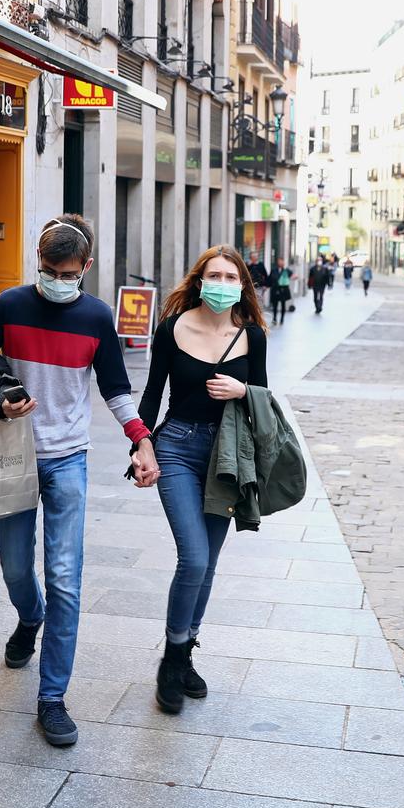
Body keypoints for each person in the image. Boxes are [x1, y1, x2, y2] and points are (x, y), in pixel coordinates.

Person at [0, 213, 157, 746]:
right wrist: (0, 398)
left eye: (67, 273)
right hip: (12, 453)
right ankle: (30, 618)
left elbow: (116, 388)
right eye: (49, 271)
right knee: (14, 566)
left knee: (65, 577)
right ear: (38, 260)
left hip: (68, 458)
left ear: (86, 267)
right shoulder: (9, 305)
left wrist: (141, 439)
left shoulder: (96, 317)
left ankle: (52, 697)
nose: (56, 280)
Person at [135, 245, 269, 714]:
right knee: (193, 558)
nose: (222, 284)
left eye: (231, 277)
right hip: (176, 446)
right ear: (199, 280)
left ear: (242, 286)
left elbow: (265, 398)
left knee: (208, 564)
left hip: (226, 457)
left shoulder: (252, 336)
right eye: (214, 275)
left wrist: (242, 389)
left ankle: (185, 651)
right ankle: (172, 661)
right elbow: (152, 392)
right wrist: (141, 443)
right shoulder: (172, 328)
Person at [268, 255, 292, 325]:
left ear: (284, 262)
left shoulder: (286, 270)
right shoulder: (273, 270)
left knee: (283, 305)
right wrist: (266, 286)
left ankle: (282, 319)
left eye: (282, 261)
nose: (280, 263)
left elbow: (293, 275)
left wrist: (293, 277)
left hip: (283, 290)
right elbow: (270, 279)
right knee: (275, 305)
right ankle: (274, 318)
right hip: (275, 290)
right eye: (279, 261)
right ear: (277, 262)